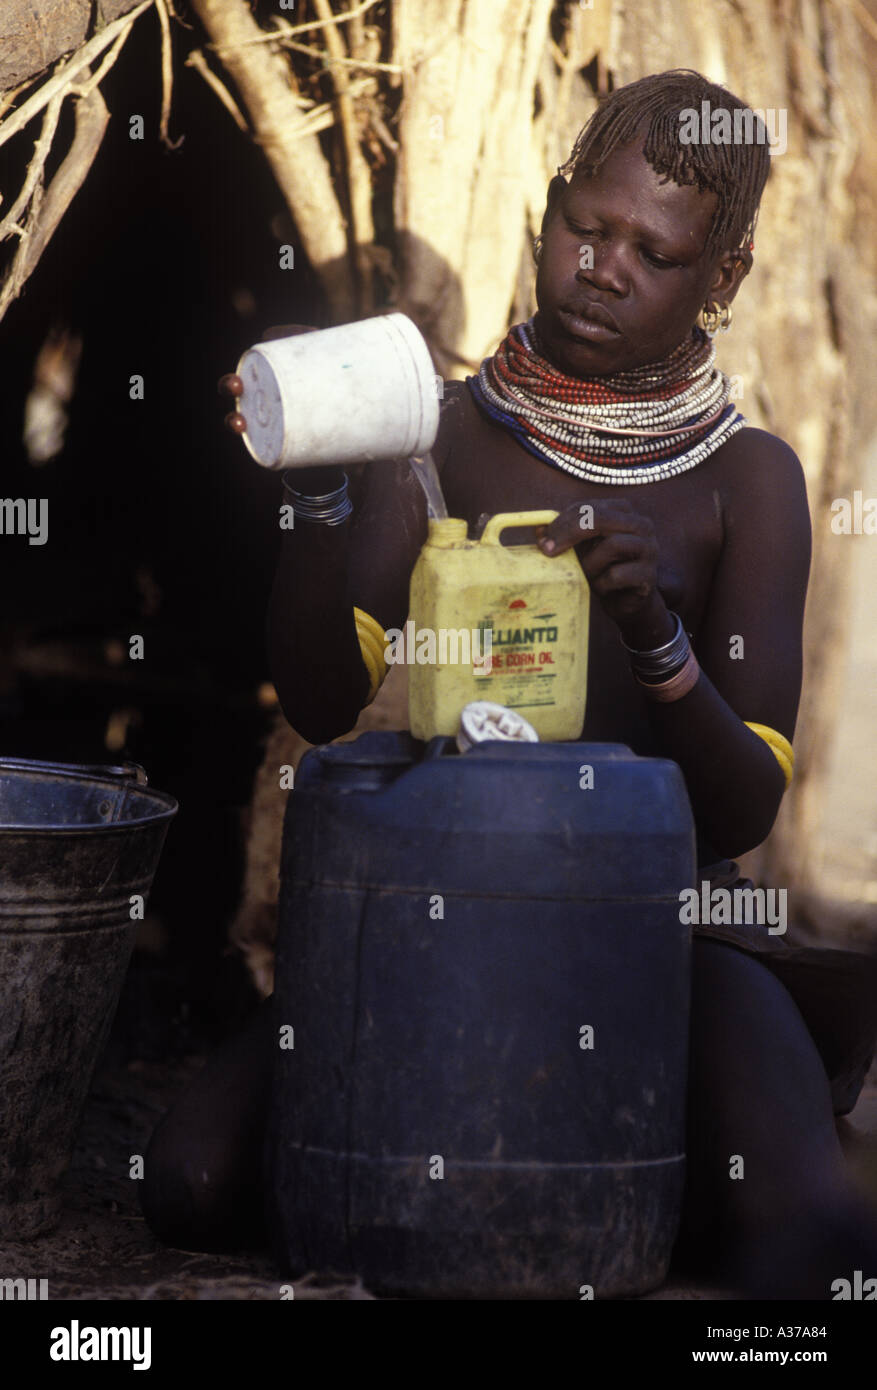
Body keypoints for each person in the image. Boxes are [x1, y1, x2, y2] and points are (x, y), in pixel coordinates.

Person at [142, 69, 877, 1298]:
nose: (604, 267)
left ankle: (665, 1135)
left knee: (802, 1235)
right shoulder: (437, 430)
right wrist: (320, 484)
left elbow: (745, 804)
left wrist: (655, 638)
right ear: (547, 211)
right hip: (442, 910)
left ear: (724, 280)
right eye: (586, 228)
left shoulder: (743, 482)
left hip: (667, 924)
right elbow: (323, 699)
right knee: (193, 1181)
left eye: (655, 251)